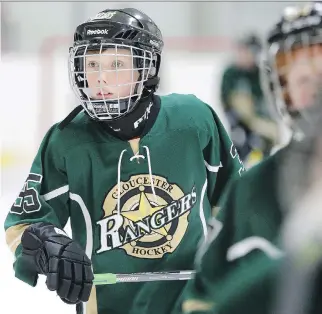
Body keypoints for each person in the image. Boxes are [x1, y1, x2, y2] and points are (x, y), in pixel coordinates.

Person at [4, 8, 244, 314]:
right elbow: (22, 224)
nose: (100, 78)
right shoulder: (66, 141)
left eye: (116, 64)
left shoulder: (194, 121)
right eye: (91, 64)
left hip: (193, 303)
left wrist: (235, 248)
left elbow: (237, 197)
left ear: (147, 68)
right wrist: (50, 247)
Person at [182, 2, 322, 314]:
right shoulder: (250, 192)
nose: (318, 90)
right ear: (281, 91)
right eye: (303, 80)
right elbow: (200, 300)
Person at [220, 33, 280, 167]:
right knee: (238, 146)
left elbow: (268, 105)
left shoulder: (262, 74)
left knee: (263, 149)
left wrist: (263, 127)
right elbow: (227, 103)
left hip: (261, 125)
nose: (242, 55)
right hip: (241, 125)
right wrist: (237, 125)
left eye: (245, 51)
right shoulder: (231, 73)